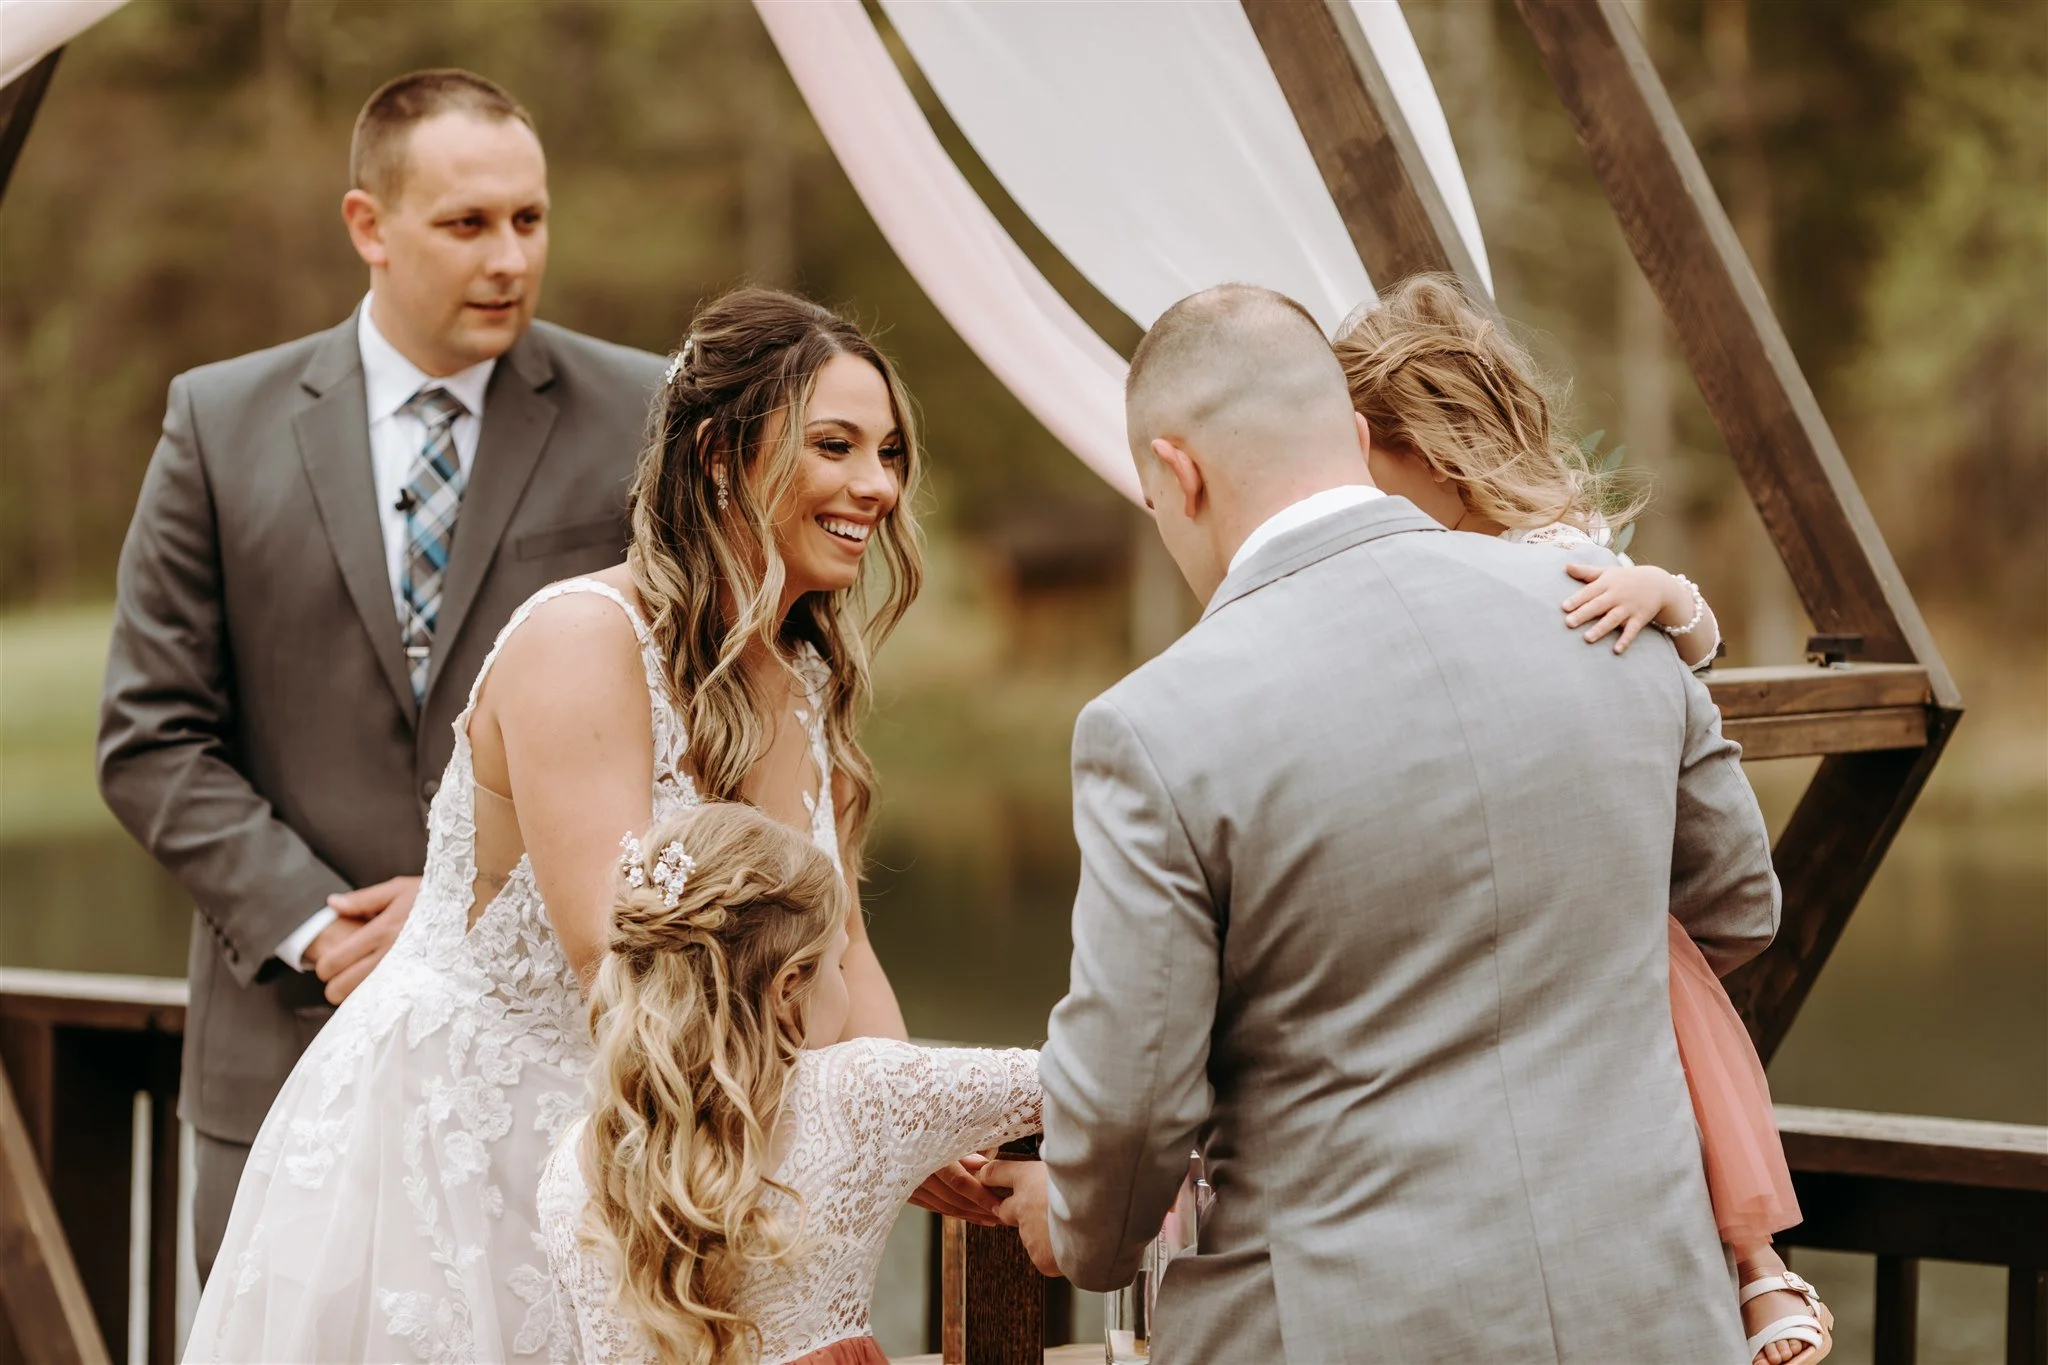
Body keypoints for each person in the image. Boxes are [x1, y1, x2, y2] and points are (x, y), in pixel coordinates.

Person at [985, 284, 1780, 1362]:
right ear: (1354, 437)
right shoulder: (1603, 608)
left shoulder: (1155, 724)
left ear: (1178, 472)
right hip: (1651, 1311)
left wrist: (1080, 1228)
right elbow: (1736, 904)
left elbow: (1132, 1103)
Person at [183, 287, 932, 1363]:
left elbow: (842, 950)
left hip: (666, 1148)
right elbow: (625, 966)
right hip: (465, 1161)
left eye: (889, 453)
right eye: (836, 445)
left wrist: (914, 1128)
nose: (878, 486)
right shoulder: (584, 639)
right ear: (721, 458)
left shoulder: (804, 678)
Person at [97, 67, 664, 1280]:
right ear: (369, 225)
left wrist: (473, 905)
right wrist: (321, 929)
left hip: (554, 1074)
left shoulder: (645, 412)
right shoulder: (217, 423)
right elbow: (150, 739)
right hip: (283, 1050)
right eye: (467, 223)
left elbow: (698, 717)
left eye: (529, 218)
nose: (509, 258)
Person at [1335, 274, 1831, 1365]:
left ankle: (1758, 1263)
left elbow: (1677, 638)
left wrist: (1671, 598)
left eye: (1362, 453)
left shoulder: (1557, 567)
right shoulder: (1529, 584)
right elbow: (1742, 902)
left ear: (1425, 453)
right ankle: (1754, 1270)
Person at [538, 802, 1042, 1365]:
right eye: (839, 967)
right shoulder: (858, 1093)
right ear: (788, 988)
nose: (845, 986)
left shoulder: (571, 1167)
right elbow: (1073, 1085)